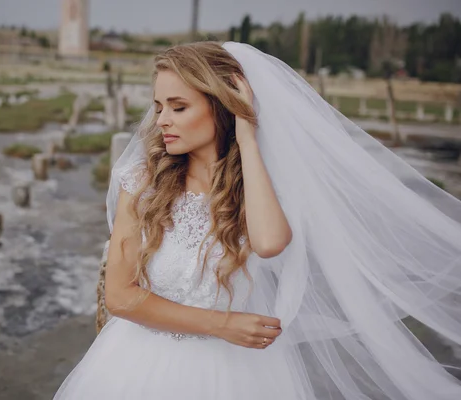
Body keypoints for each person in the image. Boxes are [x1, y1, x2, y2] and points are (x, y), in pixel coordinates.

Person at [53, 41, 461, 399]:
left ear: (221, 108)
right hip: (137, 366)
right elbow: (120, 297)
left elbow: (268, 242)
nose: (161, 121)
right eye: (159, 107)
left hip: (234, 374)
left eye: (178, 107)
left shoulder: (256, 185)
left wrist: (246, 136)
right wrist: (222, 324)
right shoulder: (143, 182)